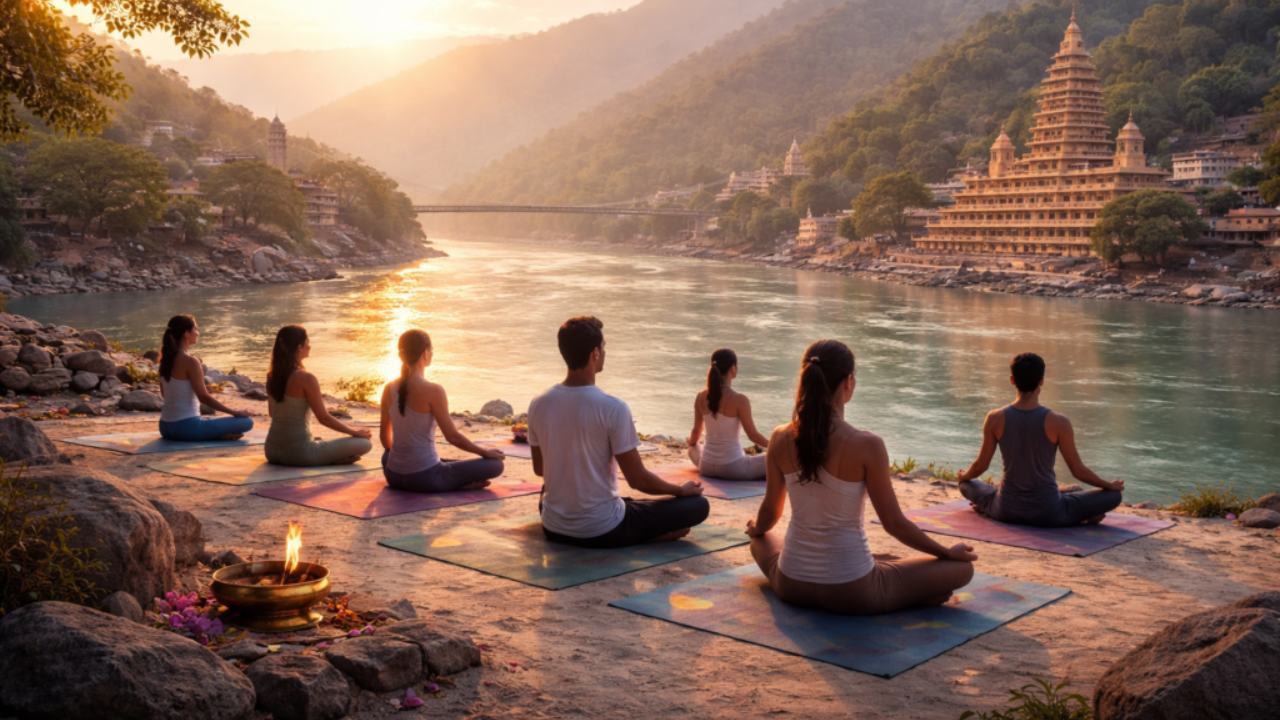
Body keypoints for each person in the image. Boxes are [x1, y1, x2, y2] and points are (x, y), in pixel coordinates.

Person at [748, 339, 976, 616]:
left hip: (791, 584)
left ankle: (890, 574)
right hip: (853, 590)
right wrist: (946, 553)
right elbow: (894, 524)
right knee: (962, 569)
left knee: (760, 539)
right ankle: (909, 594)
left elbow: (771, 512)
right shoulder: (867, 444)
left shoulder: (779, 437)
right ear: (848, 382)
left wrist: (756, 529)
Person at [529, 316, 709, 548]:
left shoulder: (538, 402)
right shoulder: (612, 407)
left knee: (555, 495)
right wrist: (680, 491)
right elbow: (637, 479)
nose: (605, 352)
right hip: (602, 529)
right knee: (698, 505)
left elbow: (539, 469)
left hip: (553, 526)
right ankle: (650, 535)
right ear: (595, 353)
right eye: (604, 347)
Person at [956, 353, 1124, 527]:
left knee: (967, 485)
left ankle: (987, 507)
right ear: (1041, 381)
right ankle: (1083, 516)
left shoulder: (994, 418)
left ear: (1012, 380)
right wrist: (1110, 486)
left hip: (1005, 509)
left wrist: (963, 477)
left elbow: (980, 466)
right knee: (1113, 497)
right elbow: (1078, 471)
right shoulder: (1059, 422)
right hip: (1049, 512)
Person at [379, 329, 505, 492]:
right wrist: (485, 453)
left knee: (388, 456)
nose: (432, 353)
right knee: (495, 465)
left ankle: (445, 473)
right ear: (425, 353)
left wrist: (404, 460)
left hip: (393, 476)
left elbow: (385, 441)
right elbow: (452, 437)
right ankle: (459, 484)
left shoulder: (388, 388)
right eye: (431, 350)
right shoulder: (433, 390)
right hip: (425, 479)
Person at [263, 325, 373, 466]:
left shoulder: (271, 376)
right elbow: (323, 418)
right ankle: (332, 460)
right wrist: (354, 432)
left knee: (321, 442)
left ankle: (329, 457)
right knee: (364, 443)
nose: (310, 347)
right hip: (299, 454)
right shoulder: (307, 378)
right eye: (307, 343)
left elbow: (273, 413)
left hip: (271, 451)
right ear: (299, 347)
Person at [157, 315, 254, 441]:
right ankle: (218, 435)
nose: (197, 333)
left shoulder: (165, 361)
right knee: (247, 422)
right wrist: (235, 412)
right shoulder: (191, 361)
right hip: (186, 428)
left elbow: (165, 395)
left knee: (210, 420)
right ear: (186, 333)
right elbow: (204, 398)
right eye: (195, 329)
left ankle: (215, 433)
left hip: (165, 426)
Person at [686, 348, 770, 480]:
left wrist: (691, 442)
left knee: (692, 448)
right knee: (777, 457)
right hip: (734, 467)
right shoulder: (740, 399)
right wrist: (775, 446)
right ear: (733, 368)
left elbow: (696, 431)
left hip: (706, 466)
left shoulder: (700, 396)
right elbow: (753, 435)